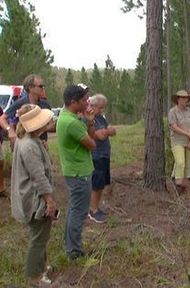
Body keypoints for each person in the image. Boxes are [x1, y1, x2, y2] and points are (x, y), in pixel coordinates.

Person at [10, 104, 56, 286]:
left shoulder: (29, 139)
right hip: (34, 198)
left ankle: (41, 266)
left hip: (33, 195)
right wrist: (49, 200)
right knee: (39, 238)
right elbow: (38, 176)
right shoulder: (29, 145)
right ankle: (34, 275)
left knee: (42, 234)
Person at [57, 84, 96, 260]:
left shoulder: (67, 116)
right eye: (83, 100)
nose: (86, 102)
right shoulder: (72, 122)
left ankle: (71, 245)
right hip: (79, 174)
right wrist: (87, 122)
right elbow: (92, 144)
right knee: (78, 212)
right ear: (73, 102)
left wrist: (88, 121)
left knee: (74, 210)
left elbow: (90, 137)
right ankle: (74, 251)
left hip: (75, 171)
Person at [0, 74, 54, 149]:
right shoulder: (20, 103)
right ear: (30, 88)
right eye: (40, 86)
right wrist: (10, 131)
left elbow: (52, 125)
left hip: (42, 144)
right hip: (25, 145)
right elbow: (2, 118)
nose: (43, 88)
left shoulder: (45, 104)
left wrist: (41, 129)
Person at [88, 94, 116, 223]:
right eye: (100, 108)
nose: (101, 110)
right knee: (96, 184)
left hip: (104, 154)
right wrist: (107, 131)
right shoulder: (90, 119)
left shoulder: (101, 118)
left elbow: (112, 131)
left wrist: (107, 131)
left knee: (101, 184)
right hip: (96, 155)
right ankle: (93, 210)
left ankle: (96, 208)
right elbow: (99, 135)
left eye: (103, 108)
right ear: (92, 106)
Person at [168, 90, 190, 193]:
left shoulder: (189, 111)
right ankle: (178, 186)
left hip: (189, 141)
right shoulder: (173, 112)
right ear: (178, 99)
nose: (185, 100)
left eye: (186, 98)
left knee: (187, 163)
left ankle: (183, 184)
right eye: (183, 98)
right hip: (177, 141)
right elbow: (174, 127)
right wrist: (189, 135)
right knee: (180, 162)